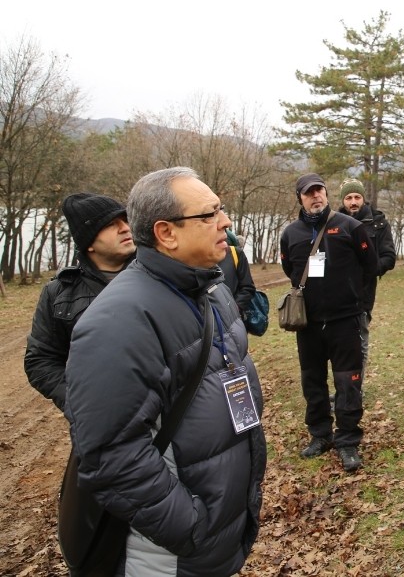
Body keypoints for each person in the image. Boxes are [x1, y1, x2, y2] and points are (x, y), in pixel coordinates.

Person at [64, 167, 267, 575]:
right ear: (166, 233)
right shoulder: (120, 320)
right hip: (166, 554)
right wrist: (191, 528)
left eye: (221, 210)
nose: (225, 221)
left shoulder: (213, 291)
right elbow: (112, 456)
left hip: (219, 529)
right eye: (209, 215)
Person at [280, 173, 377, 470]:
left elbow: (370, 267)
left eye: (319, 191)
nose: (315, 196)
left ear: (326, 193)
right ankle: (320, 435)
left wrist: (352, 299)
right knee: (313, 381)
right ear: (300, 198)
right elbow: (289, 268)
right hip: (308, 325)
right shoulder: (290, 234)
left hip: (345, 321)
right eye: (309, 193)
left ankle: (348, 440)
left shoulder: (350, 227)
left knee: (348, 382)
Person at [24, 193, 136, 413]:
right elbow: (40, 360)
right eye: (111, 224)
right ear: (88, 242)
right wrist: (78, 404)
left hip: (166, 420)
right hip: (99, 426)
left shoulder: (159, 275)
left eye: (125, 220)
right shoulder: (59, 292)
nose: (125, 228)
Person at [337, 178, 397, 380]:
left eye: (357, 197)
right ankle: (344, 386)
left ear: (363, 198)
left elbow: (389, 257)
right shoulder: (332, 222)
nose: (353, 202)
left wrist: (370, 270)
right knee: (339, 345)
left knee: (359, 342)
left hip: (363, 294)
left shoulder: (378, 222)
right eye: (348, 197)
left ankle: (355, 387)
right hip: (335, 295)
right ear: (342, 200)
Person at [219, 228, 258, 323]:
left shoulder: (236, 254)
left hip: (234, 320)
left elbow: (248, 287)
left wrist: (235, 307)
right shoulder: (195, 257)